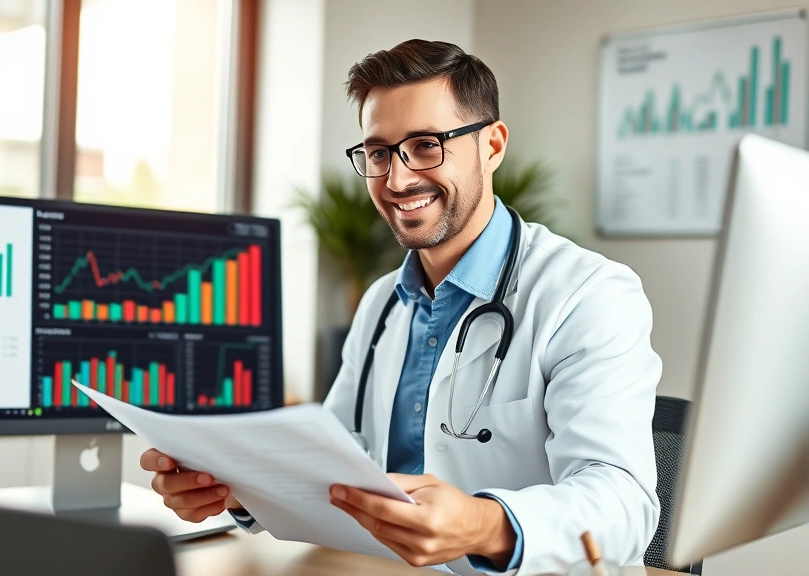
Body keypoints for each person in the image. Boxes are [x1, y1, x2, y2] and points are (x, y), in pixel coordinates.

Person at [140, 40, 660, 575]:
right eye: (380, 152)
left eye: (427, 145)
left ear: (493, 146)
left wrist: (485, 524)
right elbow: (332, 472)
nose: (398, 179)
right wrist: (236, 488)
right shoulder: (382, 303)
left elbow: (623, 506)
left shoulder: (589, 295)